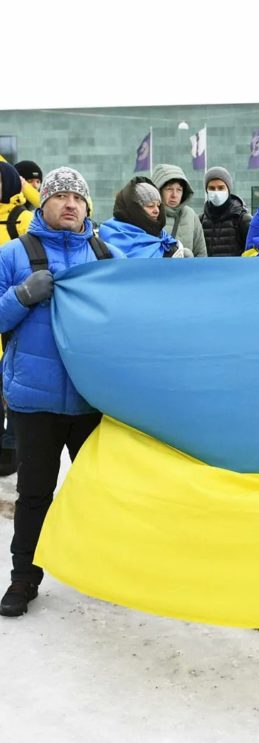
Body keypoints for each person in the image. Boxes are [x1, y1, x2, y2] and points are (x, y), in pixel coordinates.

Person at [0, 166, 125, 617]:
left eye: (78, 197)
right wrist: (21, 296)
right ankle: (22, 579)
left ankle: (105, 571)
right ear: (44, 203)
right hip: (35, 401)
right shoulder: (12, 256)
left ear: (87, 207)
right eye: (60, 196)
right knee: (34, 493)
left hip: (92, 400)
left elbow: (128, 323)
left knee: (101, 491)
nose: (70, 204)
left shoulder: (106, 257)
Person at [0, 163, 35, 476]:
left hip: (16, 311)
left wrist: (28, 189)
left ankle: (11, 447)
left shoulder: (22, 218)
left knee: (13, 382)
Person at [99, 177, 187, 259]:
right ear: (134, 209)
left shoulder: (163, 237)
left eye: (158, 206)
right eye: (150, 206)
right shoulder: (112, 234)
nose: (157, 210)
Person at [151, 164, 207, 257]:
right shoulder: (149, 215)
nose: (174, 195)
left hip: (187, 271)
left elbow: (201, 253)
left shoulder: (191, 215)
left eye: (179, 190)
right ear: (158, 190)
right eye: (169, 189)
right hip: (159, 271)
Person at [199, 167, 252, 256]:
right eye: (212, 188)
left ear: (228, 190)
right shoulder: (200, 220)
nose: (216, 192)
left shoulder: (243, 220)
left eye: (221, 188)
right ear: (206, 191)